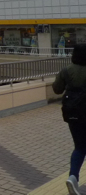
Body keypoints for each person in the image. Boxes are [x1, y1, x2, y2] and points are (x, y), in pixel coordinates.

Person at [53, 44, 86, 195]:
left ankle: (73, 177)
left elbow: (57, 89)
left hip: (74, 114)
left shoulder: (66, 70)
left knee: (79, 147)